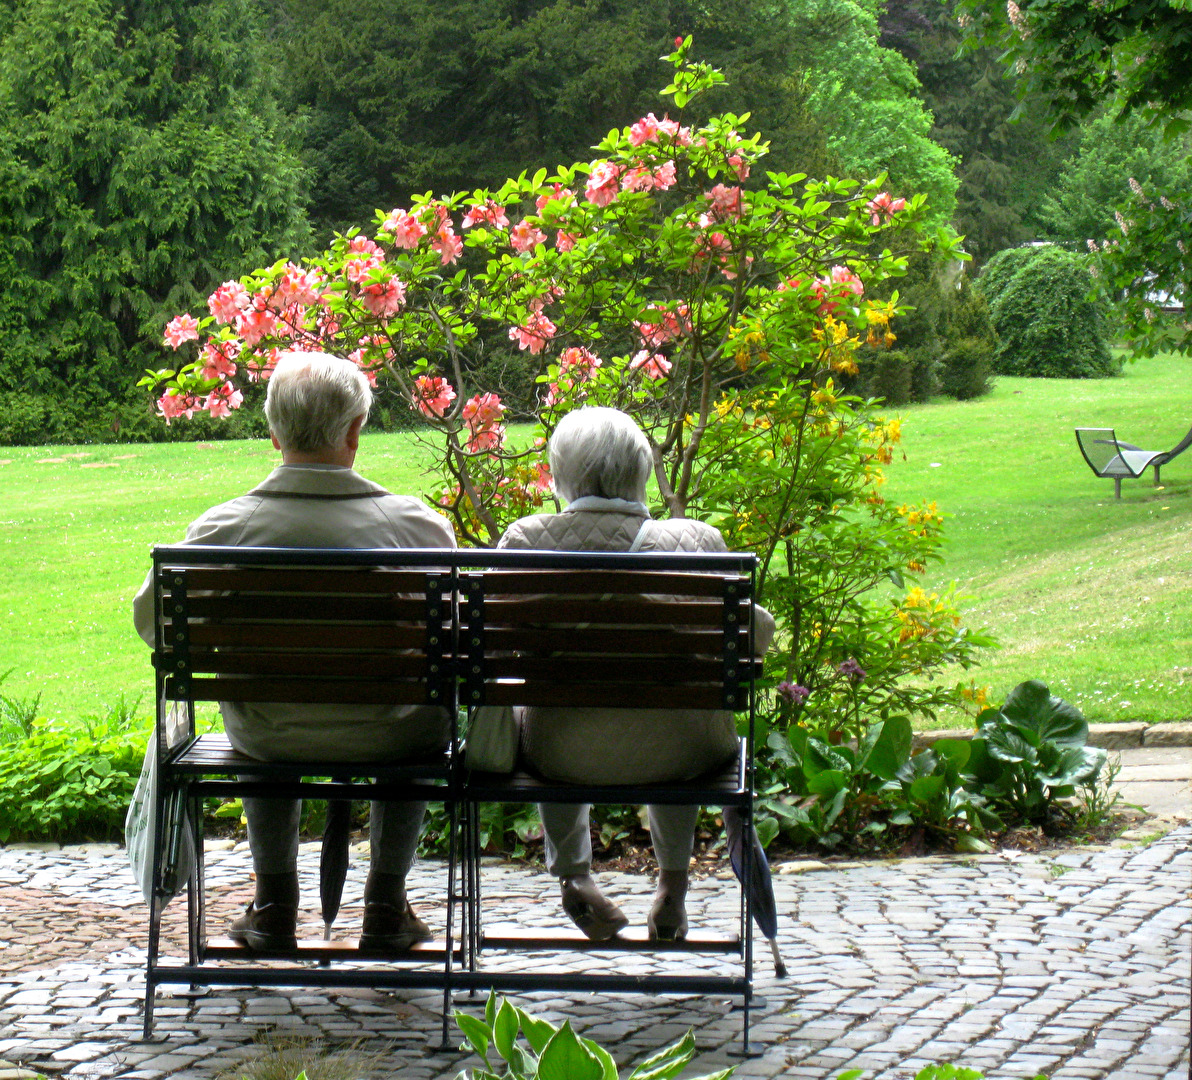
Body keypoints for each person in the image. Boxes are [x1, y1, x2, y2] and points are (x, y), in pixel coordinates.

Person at [132, 351, 457, 952]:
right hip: (393, 735)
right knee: (419, 719)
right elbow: (461, 642)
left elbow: (154, 627)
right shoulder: (417, 529)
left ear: (273, 432)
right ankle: (386, 903)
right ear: (356, 430)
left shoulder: (221, 532)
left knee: (259, 706)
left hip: (269, 734)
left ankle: (275, 902)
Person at [497, 406, 774, 941]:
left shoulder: (528, 540)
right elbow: (754, 637)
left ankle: (575, 880)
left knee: (554, 708)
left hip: (561, 755)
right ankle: (672, 888)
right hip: (684, 753)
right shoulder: (696, 543)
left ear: (559, 476)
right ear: (641, 473)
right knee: (674, 715)